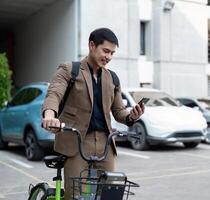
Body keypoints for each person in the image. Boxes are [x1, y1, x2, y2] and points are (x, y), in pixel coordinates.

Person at [42, 28, 145, 199]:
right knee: (76, 195)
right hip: (76, 141)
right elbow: (54, 93)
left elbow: (119, 111)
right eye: (106, 51)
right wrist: (50, 116)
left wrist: (132, 116)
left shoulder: (112, 78)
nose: (109, 57)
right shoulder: (70, 70)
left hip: (105, 143)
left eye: (112, 53)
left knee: (111, 193)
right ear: (91, 45)